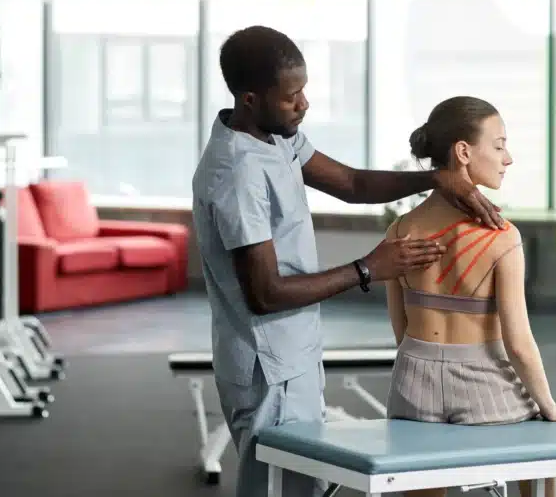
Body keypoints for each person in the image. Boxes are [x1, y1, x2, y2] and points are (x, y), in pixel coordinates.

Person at [191, 26, 506, 497]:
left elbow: (353, 184)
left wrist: (437, 179)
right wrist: (368, 269)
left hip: (293, 353)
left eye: (304, 90)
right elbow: (264, 293)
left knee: (305, 488)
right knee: (282, 490)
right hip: (267, 367)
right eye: (291, 96)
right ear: (251, 99)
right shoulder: (237, 174)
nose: (304, 104)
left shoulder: (276, 137)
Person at [383, 95, 556, 497]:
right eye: (499, 145)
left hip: (412, 378)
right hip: (482, 383)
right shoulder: (501, 237)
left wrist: (425, 366)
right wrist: (548, 405)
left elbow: (401, 326)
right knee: (540, 460)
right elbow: (518, 342)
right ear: (463, 151)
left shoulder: (399, 230)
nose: (508, 157)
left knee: (421, 482)